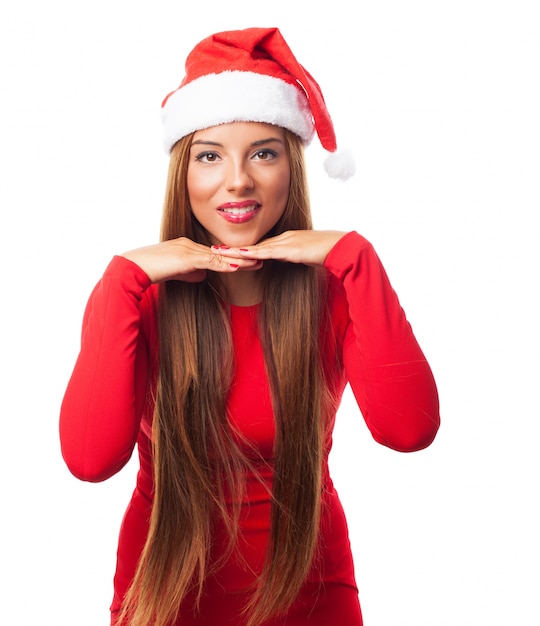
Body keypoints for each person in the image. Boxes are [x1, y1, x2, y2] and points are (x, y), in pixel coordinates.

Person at [59, 27, 440, 626]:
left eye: (264, 152)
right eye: (210, 155)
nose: (237, 180)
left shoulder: (338, 291)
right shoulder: (139, 301)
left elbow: (409, 430)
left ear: (293, 167)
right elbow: (89, 460)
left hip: (311, 589)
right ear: (184, 173)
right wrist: (121, 281)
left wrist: (358, 259)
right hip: (165, 591)